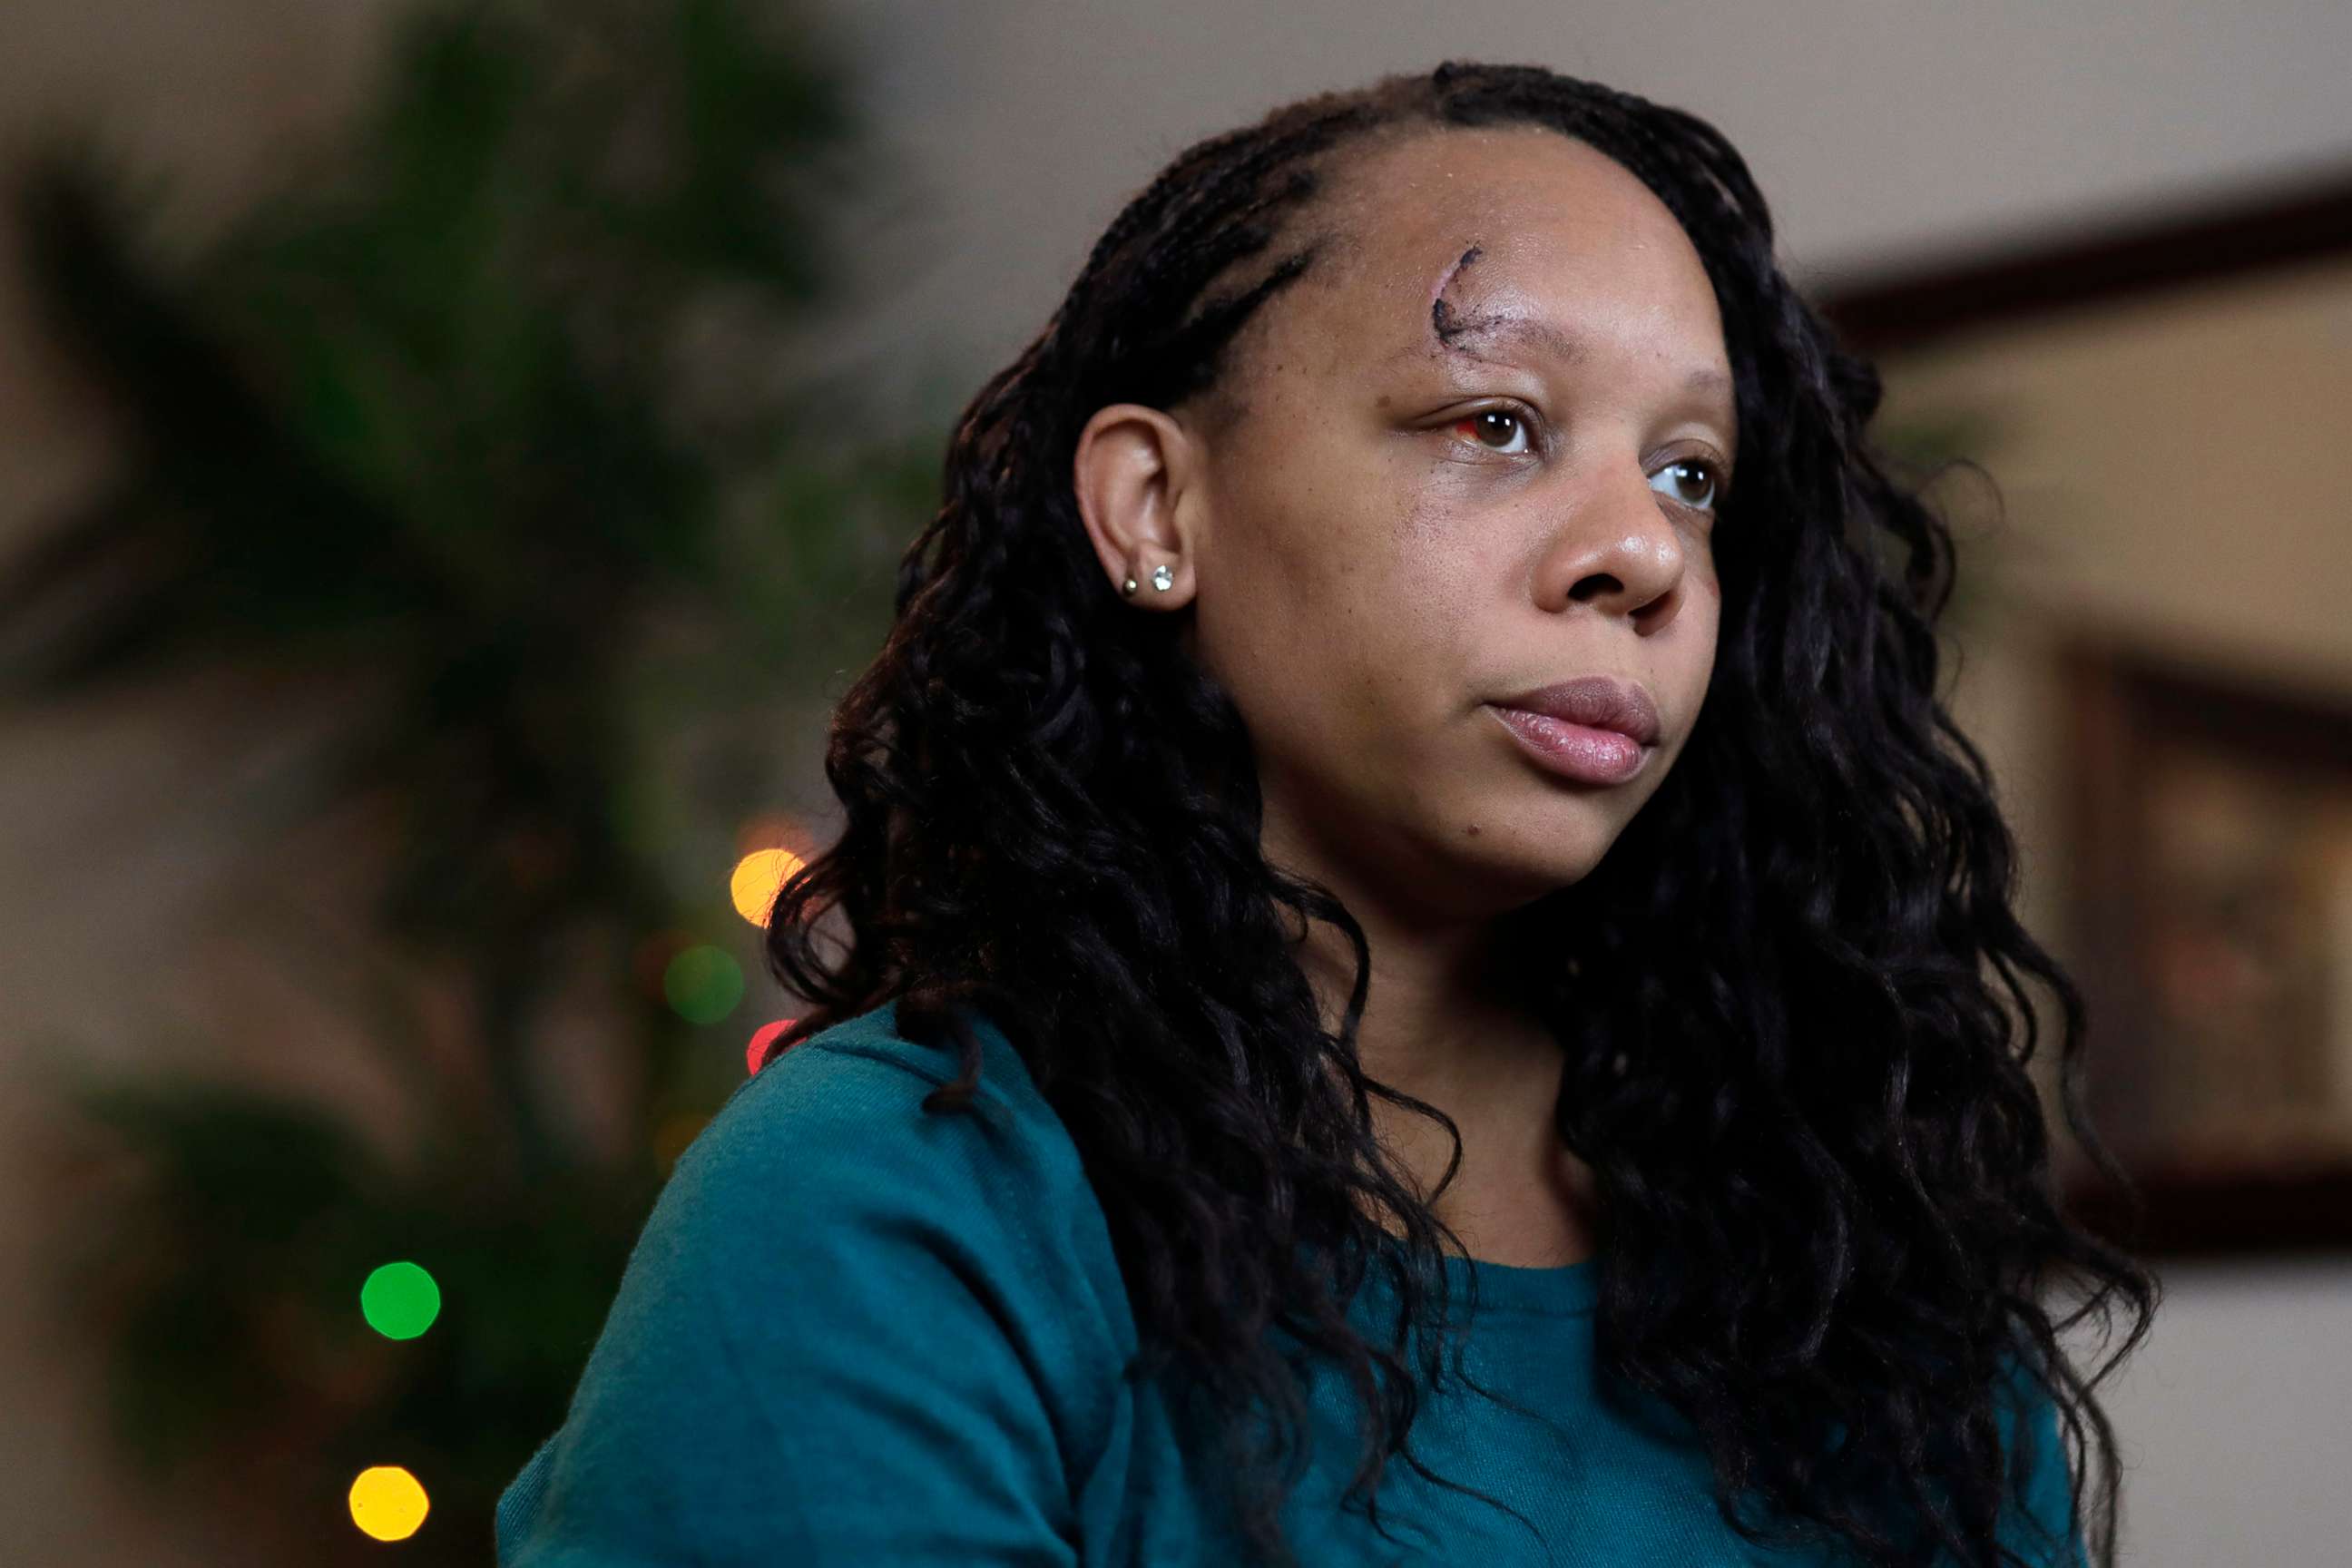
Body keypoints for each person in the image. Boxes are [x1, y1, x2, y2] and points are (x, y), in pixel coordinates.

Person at [494, 60, 2156, 1567]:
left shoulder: (1849, 1257)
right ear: (1159, 505)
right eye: (1495, 423)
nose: (1643, 556)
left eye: (1690, 475)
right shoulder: (891, 1210)